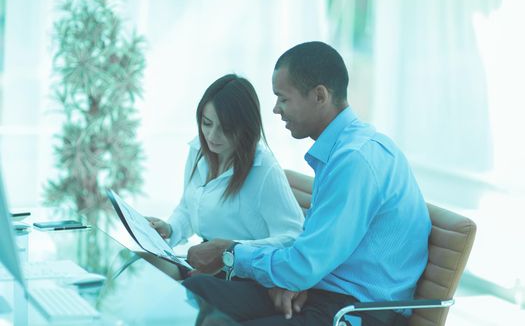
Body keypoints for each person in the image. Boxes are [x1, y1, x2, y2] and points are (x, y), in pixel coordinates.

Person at [182, 42, 432, 326]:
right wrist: (296, 281)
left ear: (320, 96)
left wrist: (230, 253)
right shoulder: (341, 152)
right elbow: (310, 258)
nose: (276, 110)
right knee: (197, 292)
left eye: (283, 99)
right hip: (320, 291)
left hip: (355, 312)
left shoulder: (355, 160)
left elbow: (304, 265)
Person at [147, 74, 304, 277]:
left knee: (182, 286)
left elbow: (293, 237)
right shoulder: (199, 150)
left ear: (246, 127)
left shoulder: (264, 169)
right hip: (203, 263)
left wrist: (230, 249)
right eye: (207, 123)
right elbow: (188, 206)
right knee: (142, 262)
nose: (212, 136)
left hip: (241, 272)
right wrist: (170, 228)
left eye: (225, 128)